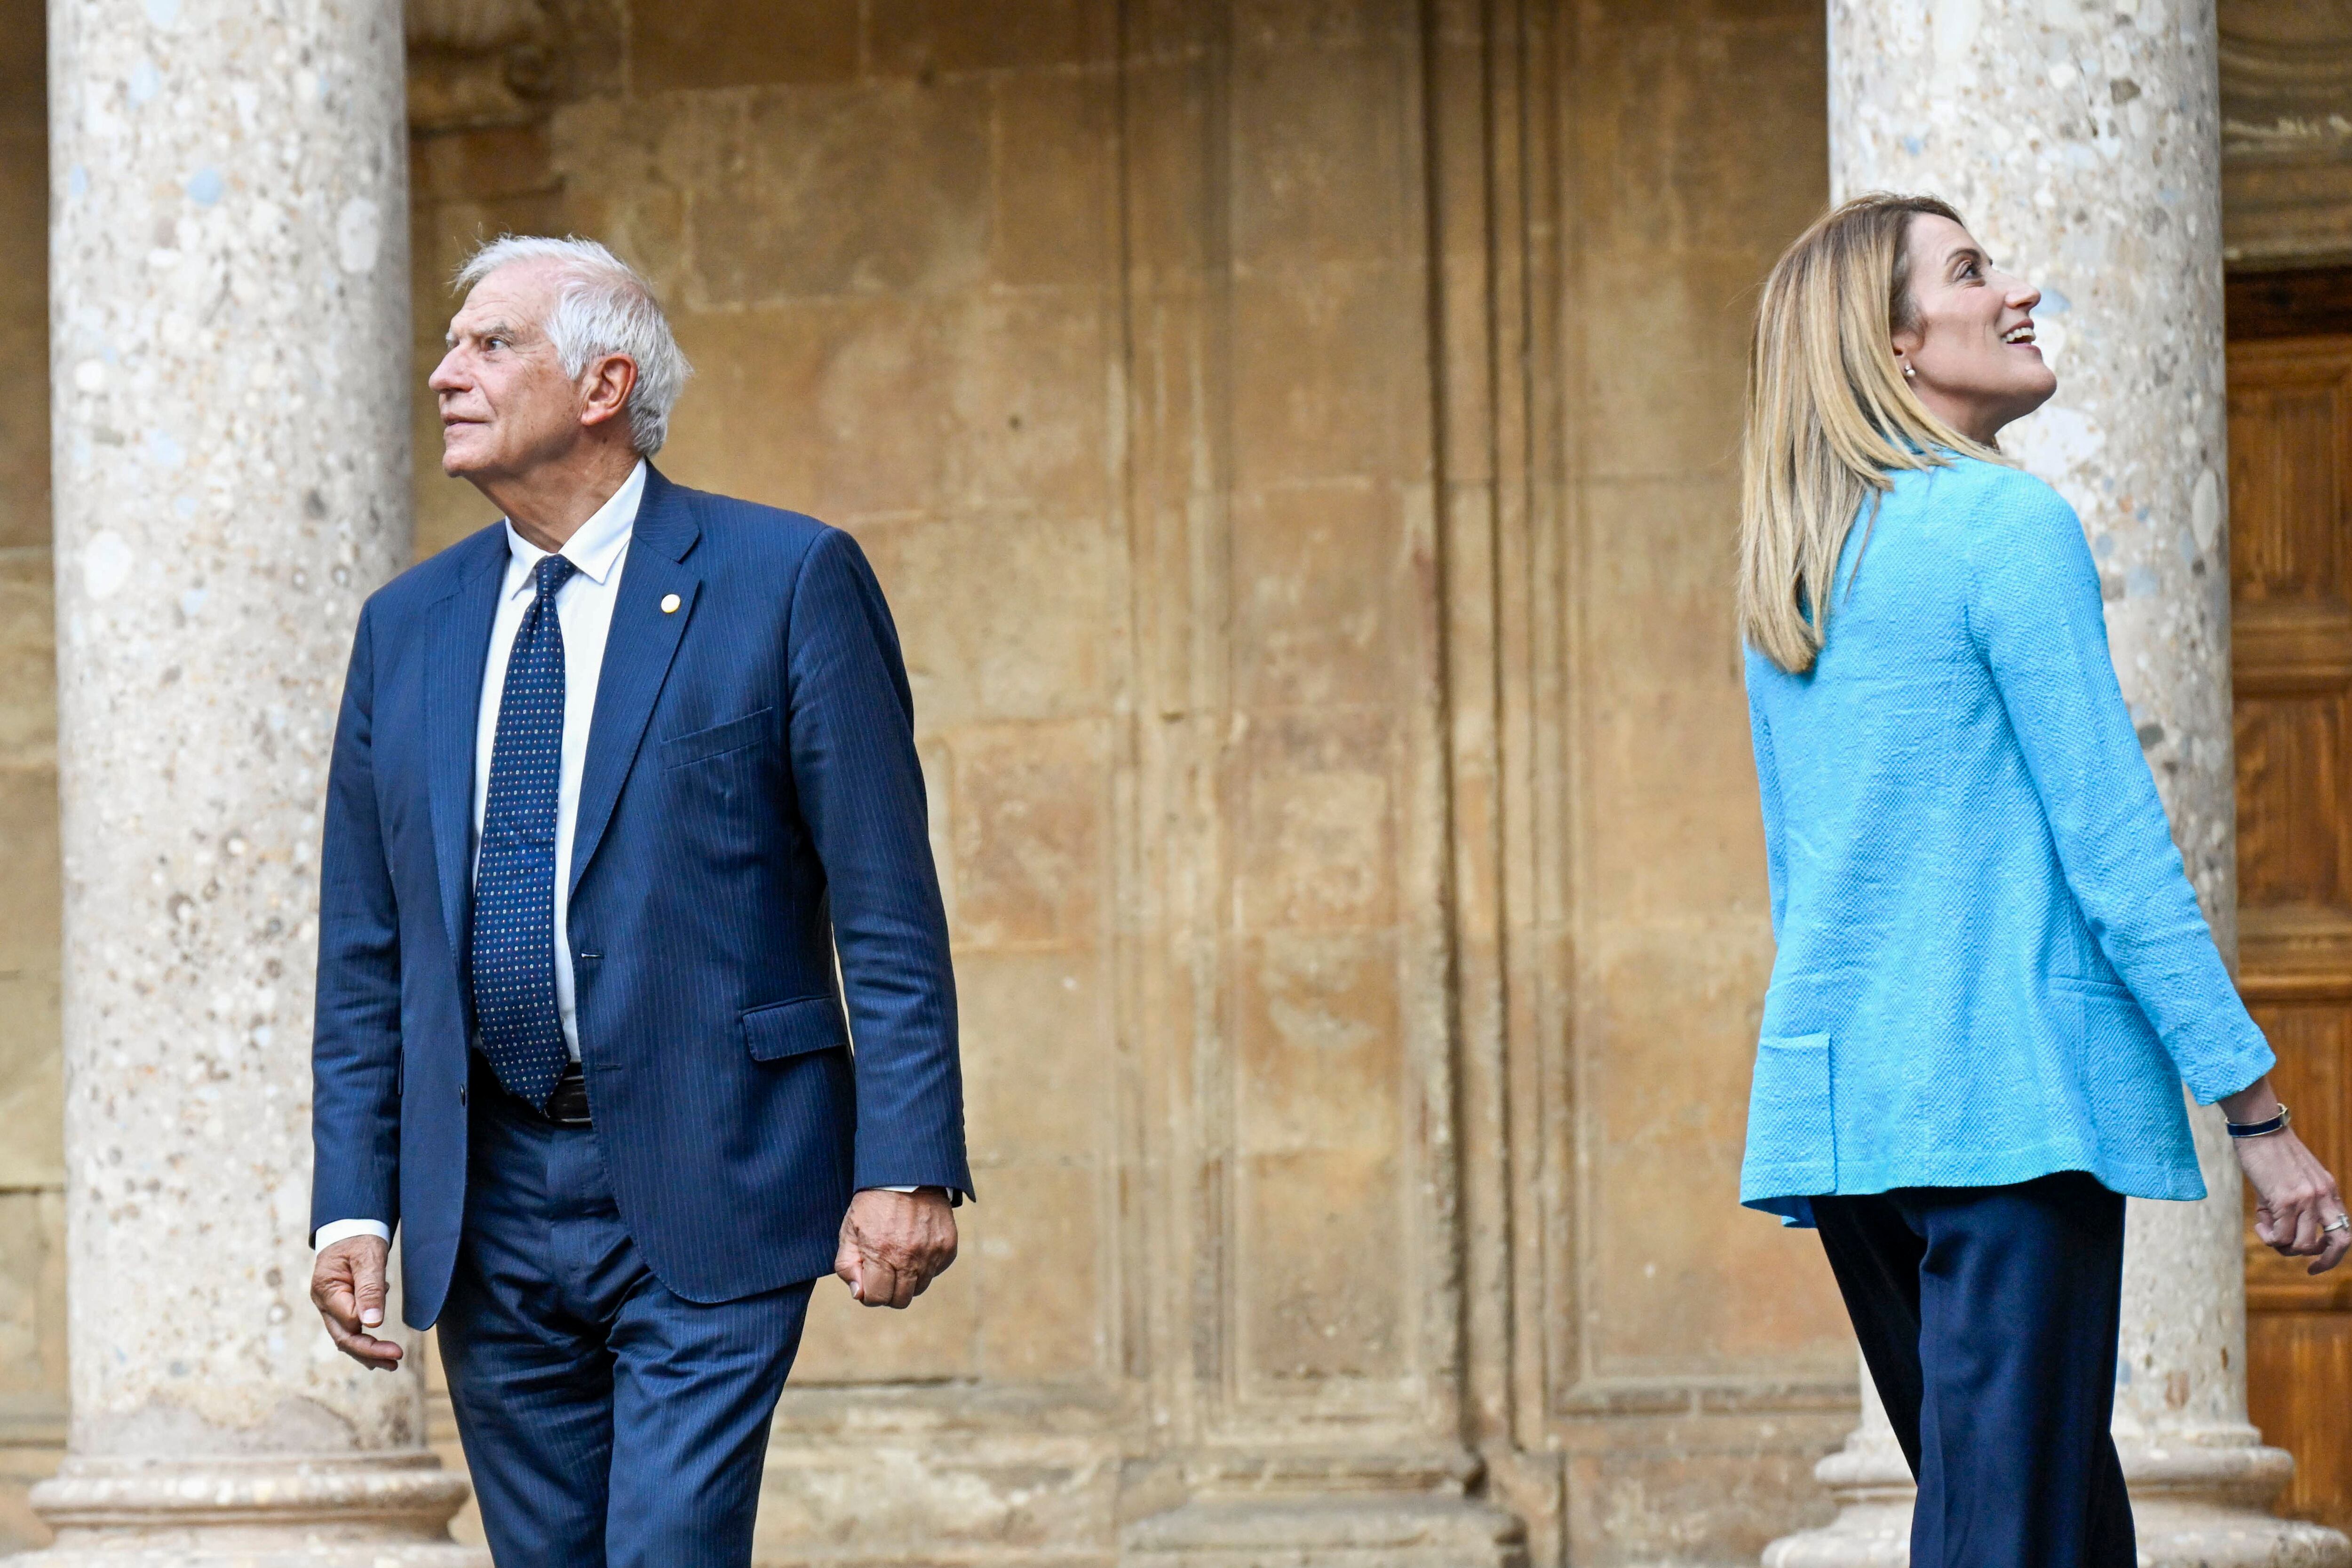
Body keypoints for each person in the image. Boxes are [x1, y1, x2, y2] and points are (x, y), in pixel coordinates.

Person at [306, 235, 971, 1567]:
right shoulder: (407, 627)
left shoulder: (788, 582)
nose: (445, 374)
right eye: (453, 346)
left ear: (605, 384)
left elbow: (887, 907)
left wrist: (907, 1164)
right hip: (485, 1199)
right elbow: (369, 952)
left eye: (491, 345)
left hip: (717, 1170)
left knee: (668, 1549)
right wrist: (353, 1201)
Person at [1736, 192, 2350, 1567]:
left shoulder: (1795, 569)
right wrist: (2256, 1115)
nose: (2019, 290)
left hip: (1855, 1119)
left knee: (2053, 1527)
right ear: (1894, 347)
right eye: (1970, 272)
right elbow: (2117, 849)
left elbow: (1804, 875)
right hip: (2005, 1107)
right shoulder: (2003, 526)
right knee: (2011, 1538)